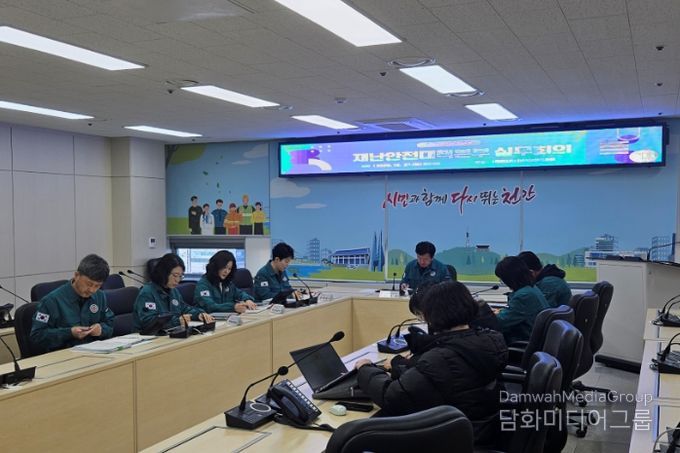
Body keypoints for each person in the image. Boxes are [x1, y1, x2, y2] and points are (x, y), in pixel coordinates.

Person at [355, 281, 508, 444]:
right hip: (484, 430)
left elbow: (392, 397)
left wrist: (365, 368)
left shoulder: (440, 358)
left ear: (432, 315)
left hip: (450, 438)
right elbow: (444, 380)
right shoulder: (491, 339)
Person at [30, 254, 115, 353]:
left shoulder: (99, 296)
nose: (92, 290)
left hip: (95, 352)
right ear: (76, 275)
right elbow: (37, 336)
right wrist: (69, 333)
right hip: (64, 355)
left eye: (97, 286)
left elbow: (110, 323)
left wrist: (101, 329)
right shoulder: (51, 301)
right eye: (89, 284)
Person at [133, 253, 213, 332]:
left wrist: (199, 314)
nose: (178, 280)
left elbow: (184, 308)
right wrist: (177, 321)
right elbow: (148, 322)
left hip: (169, 332)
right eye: (175, 275)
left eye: (180, 276)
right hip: (147, 336)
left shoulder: (173, 291)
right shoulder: (147, 292)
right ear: (164, 273)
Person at [494, 256, 550, 344]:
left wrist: (483, 313)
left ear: (510, 279)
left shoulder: (523, 296)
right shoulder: (532, 288)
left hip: (521, 342)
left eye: (503, 279)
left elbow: (499, 323)